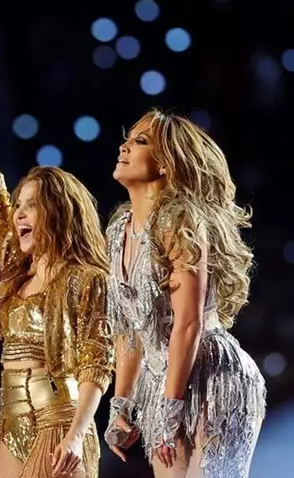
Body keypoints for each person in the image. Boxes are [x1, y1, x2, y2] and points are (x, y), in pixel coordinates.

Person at [0, 55, 113, 478]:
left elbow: (97, 363)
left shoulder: (87, 280)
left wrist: (76, 435)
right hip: (11, 422)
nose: (17, 213)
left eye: (31, 205)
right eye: (18, 205)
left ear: (60, 213)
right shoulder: (17, 267)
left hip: (61, 422)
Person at [103, 109, 266, 478]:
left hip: (211, 376)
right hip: (160, 382)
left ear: (165, 164)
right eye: (127, 139)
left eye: (139, 141)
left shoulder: (179, 220)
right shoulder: (117, 231)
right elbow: (128, 330)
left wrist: (171, 406)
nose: (124, 147)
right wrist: (121, 405)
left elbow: (188, 322)